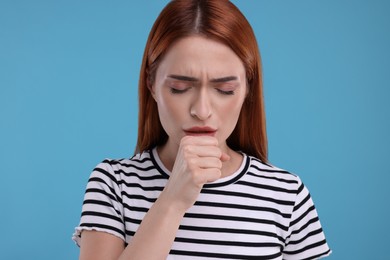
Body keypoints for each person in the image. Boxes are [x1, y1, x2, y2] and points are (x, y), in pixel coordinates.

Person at [72, 0, 331, 259]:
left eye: (225, 90)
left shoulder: (287, 194)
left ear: (248, 88)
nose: (202, 110)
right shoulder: (114, 184)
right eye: (179, 88)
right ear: (151, 84)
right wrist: (173, 201)